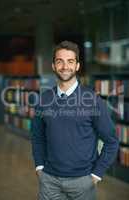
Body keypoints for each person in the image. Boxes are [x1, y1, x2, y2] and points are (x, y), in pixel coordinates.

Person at [31, 40, 119, 200]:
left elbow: (111, 141)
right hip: (49, 181)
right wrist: (39, 167)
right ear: (53, 66)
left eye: (70, 61)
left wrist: (95, 175)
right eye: (60, 61)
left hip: (83, 182)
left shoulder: (92, 100)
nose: (65, 66)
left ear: (77, 66)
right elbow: (37, 137)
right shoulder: (43, 100)